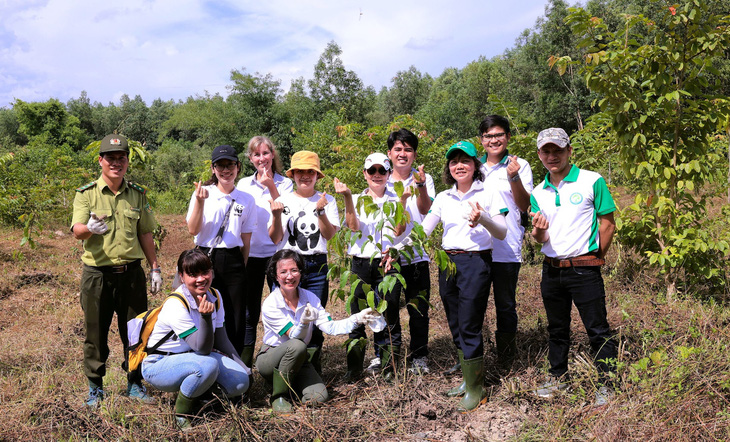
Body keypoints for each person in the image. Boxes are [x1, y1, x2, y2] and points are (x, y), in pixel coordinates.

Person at [386, 141, 508, 411]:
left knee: (469, 322)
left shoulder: (489, 192)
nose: (459, 166)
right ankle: (467, 380)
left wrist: (483, 218)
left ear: (475, 164)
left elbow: (501, 232)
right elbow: (422, 232)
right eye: (454, 162)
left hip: (476, 261)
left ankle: (478, 389)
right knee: (454, 320)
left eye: (465, 160)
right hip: (447, 261)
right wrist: (396, 249)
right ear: (448, 168)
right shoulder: (443, 197)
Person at [71, 134, 161, 407]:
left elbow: (145, 232)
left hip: (131, 274)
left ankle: (134, 382)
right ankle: (95, 388)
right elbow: (77, 230)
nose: (116, 163)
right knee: (95, 333)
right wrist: (89, 229)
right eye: (110, 158)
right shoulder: (86, 194)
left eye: (121, 158)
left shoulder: (137, 193)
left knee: (135, 332)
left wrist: (154, 267)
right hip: (97, 275)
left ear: (127, 161)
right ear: (101, 161)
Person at [529, 128, 618, 406]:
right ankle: (558, 377)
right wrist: (538, 233)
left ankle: (608, 383)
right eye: (546, 151)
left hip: (584, 268)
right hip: (551, 269)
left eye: (558, 150)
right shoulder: (538, 192)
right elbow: (541, 237)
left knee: (597, 328)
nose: (552, 156)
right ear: (540, 155)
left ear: (569, 151)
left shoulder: (592, 181)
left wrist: (594, 258)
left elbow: (608, 223)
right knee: (557, 328)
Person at [256, 249, 382, 413]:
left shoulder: (310, 298)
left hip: (298, 359)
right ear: (275, 275)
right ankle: (279, 396)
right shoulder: (271, 303)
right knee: (298, 346)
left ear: (301, 272)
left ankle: (289, 384)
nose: (289, 276)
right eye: (283, 272)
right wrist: (303, 323)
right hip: (270, 357)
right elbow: (294, 337)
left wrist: (357, 318)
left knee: (318, 397)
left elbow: (331, 327)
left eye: (294, 270)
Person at [142, 249, 250, 430]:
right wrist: (205, 318)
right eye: (193, 274)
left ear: (212, 272)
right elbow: (203, 349)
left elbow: (222, 340)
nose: (201, 279)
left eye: (205, 272)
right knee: (207, 366)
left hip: (194, 358)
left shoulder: (215, 296)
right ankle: (182, 413)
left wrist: (244, 368)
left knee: (240, 382)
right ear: (182, 277)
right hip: (160, 363)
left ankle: (202, 398)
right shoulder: (176, 303)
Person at [333, 153, 405, 381]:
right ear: (364, 174)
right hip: (361, 263)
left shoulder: (397, 199)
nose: (376, 175)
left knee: (388, 312)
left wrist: (403, 202)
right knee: (358, 314)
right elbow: (354, 228)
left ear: (388, 173)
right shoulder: (355, 198)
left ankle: (387, 366)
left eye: (382, 171)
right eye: (371, 170)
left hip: (388, 262)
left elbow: (399, 231)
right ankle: (354, 367)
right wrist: (346, 197)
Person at [270, 150, 340, 373]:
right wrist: (275, 215)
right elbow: (275, 238)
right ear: (293, 175)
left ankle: (311, 370)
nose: (305, 176)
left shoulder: (328, 201)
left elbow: (329, 236)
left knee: (315, 318)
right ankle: (286, 368)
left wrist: (320, 212)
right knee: (286, 317)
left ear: (318, 175)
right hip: (288, 267)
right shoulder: (282, 201)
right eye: (300, 171)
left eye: (310, 171)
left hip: (317, 265)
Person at [186, 145, 257, 356]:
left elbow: (246, 239)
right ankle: (207, 359)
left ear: (238, 167)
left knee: (235, 315)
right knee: (205, 311)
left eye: (230, 165)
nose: (226, 170)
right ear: (213, 168)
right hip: (206, 257)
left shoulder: (247, 199)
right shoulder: (203, 194)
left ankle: (233, 363)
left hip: (234, 258)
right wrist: (199, 202)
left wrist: (240, 266)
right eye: (220, 166)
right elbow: (193, 229)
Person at [478, 115, 533, 371]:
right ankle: (472, 357)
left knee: (506, 305)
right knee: (472, 304)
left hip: (507, 247)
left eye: (498, 135)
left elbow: (524, 206)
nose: (494, 140)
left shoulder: (520, 165)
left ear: (508, 137)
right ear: (481, 141)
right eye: (488, 136)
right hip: (476, 248)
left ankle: (506, 359)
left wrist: (514, 178)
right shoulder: (472, 167)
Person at [235, 136, 293, 367]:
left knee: (282, 306)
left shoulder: (285, 183)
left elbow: (283, 210)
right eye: (257, 155)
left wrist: (270, 185)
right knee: (249, 312)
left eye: (266, 154)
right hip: (250, 256)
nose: (262, 159)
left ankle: (281, 355)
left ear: (273, 155)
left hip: (277, 254)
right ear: (250, 159)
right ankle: (244, 362)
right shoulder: (242, 185)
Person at [383, 128, 434, 375]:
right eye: (398, 149)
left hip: (416, 255)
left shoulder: (423, 178)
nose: (403, 154)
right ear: (390, 153)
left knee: (418, 309)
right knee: (389, 307)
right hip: (388, 256)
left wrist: (421, 185)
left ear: (414, 154)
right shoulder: (381, 177)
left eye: (408, 149)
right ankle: (390, 356)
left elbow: (425, 210)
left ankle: (419, 356)